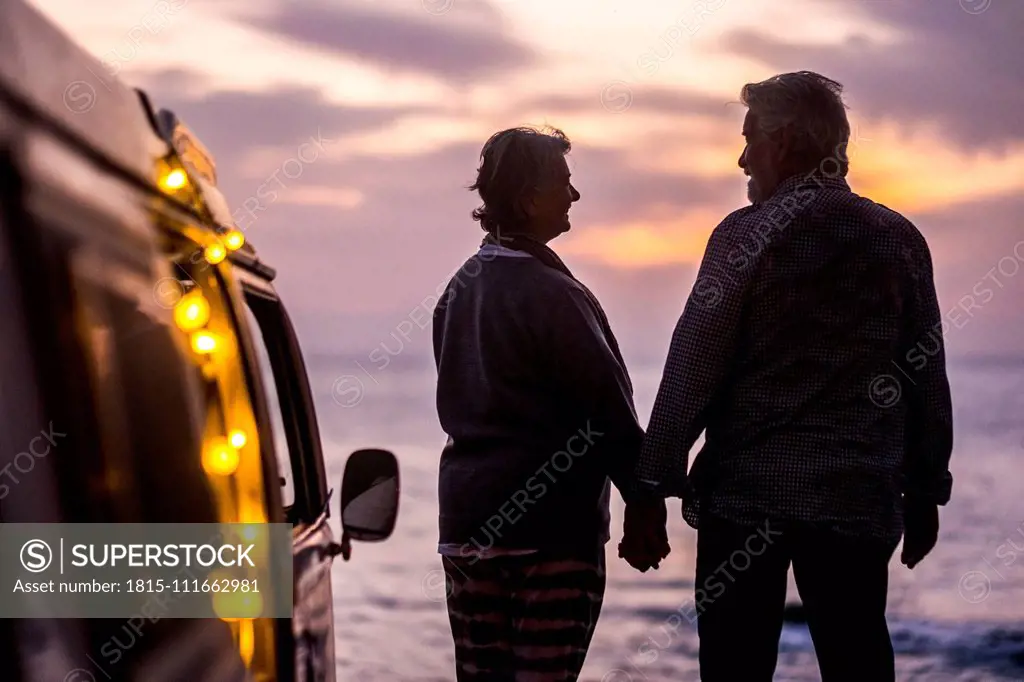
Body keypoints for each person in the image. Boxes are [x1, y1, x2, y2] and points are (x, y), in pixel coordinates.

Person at [618, 71, 954, 681]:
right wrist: (927, 488)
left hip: (748, 502)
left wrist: (650, 486)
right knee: (858, 660)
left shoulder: (747, 237)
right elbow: (925, 375)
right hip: (853, 498)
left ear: (782, 142)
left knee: (735, 668)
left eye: (749, 138)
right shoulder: (897, 237)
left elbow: (694, 365)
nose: (741, 157)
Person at [431, 125, 667, 681]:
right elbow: (607, 411)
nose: (575, 195)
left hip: (468, 529)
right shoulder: (556, 294)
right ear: (529, 199)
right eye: (565, 182)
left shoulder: (456, 291)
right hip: (550, 533)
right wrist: (645, 504)